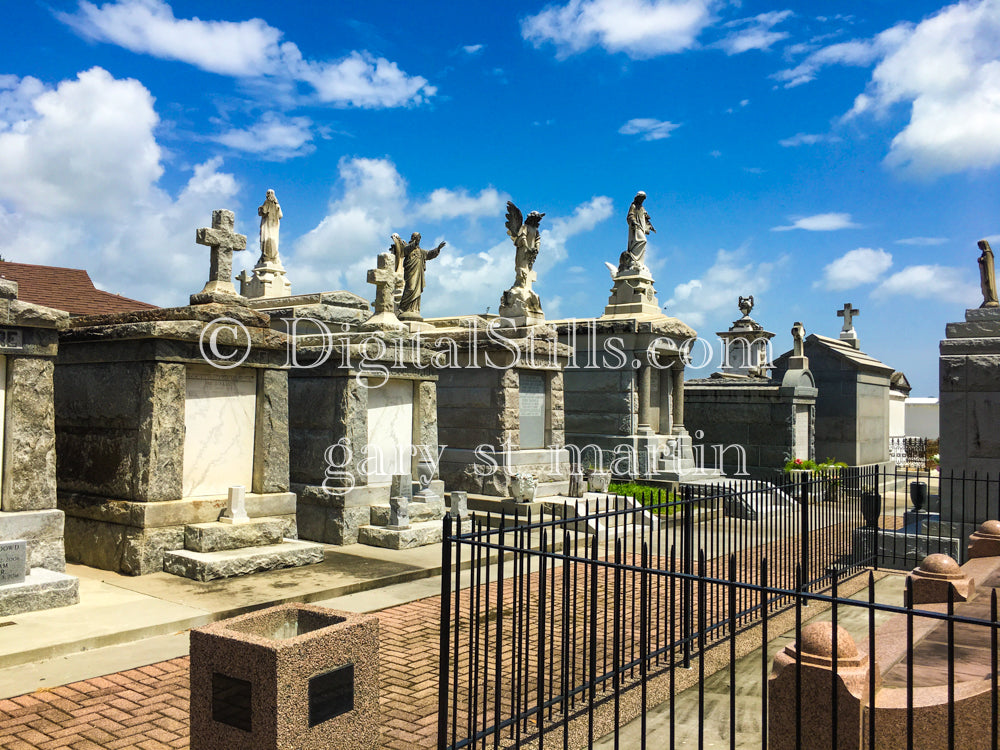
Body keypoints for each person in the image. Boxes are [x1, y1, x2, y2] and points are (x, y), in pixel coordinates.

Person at [399, 232, 445, 316]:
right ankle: (403, 308)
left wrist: (438, 249)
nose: (418, 239)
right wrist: (415, 243)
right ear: (413, 238)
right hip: (410, 272)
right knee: (411, 288)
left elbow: (428, 254)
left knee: (417, 290)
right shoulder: (407, 248)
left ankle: (414, 309)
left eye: (419, 238)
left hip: (418, 273)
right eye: (416, 237)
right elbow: (404, 251)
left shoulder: (420, 251)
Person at [619, 191, 656, 272]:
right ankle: (633, 258)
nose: (642, 200)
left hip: (641, 227)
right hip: (636, 227)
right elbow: (630, 215)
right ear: (637, 198)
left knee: (643, 244)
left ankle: (639, 262)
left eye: (643, 199)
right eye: (641, 198)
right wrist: (634, 222)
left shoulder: (642, 208)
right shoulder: (633, 206)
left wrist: (650, 227)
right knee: (642, 240)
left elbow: (645, 218)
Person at [258, 189, 282, 264]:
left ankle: (267, 258)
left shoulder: (268, 203)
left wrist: (260, 208)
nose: (269, 195)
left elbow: (263, 212)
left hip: (269, 227)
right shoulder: (276, 204)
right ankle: (271, 258)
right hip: (272, 227)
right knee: (271, 241)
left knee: (267, 240)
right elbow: (281, 215)